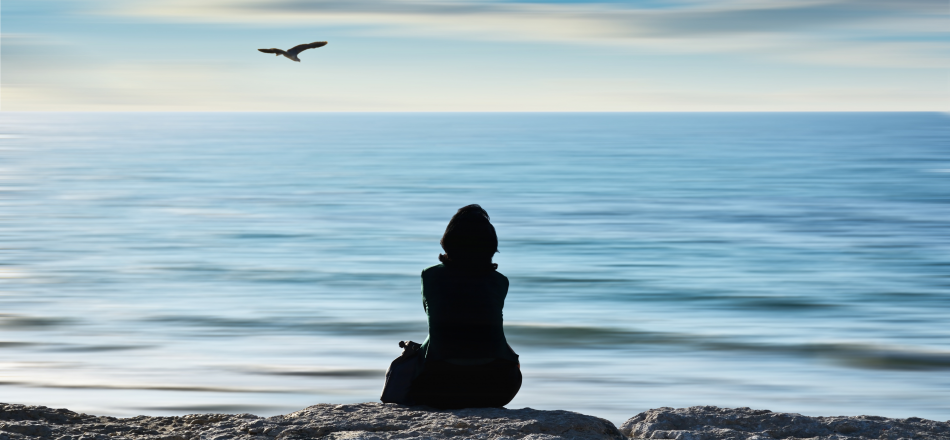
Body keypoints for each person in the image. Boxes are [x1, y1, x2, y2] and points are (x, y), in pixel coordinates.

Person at [407, 204, 522, 409]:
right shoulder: (499, 281)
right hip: (498, 388)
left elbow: (437, 320)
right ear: (490, 246)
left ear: (448, 243)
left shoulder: (431, 276)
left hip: (438, 388)